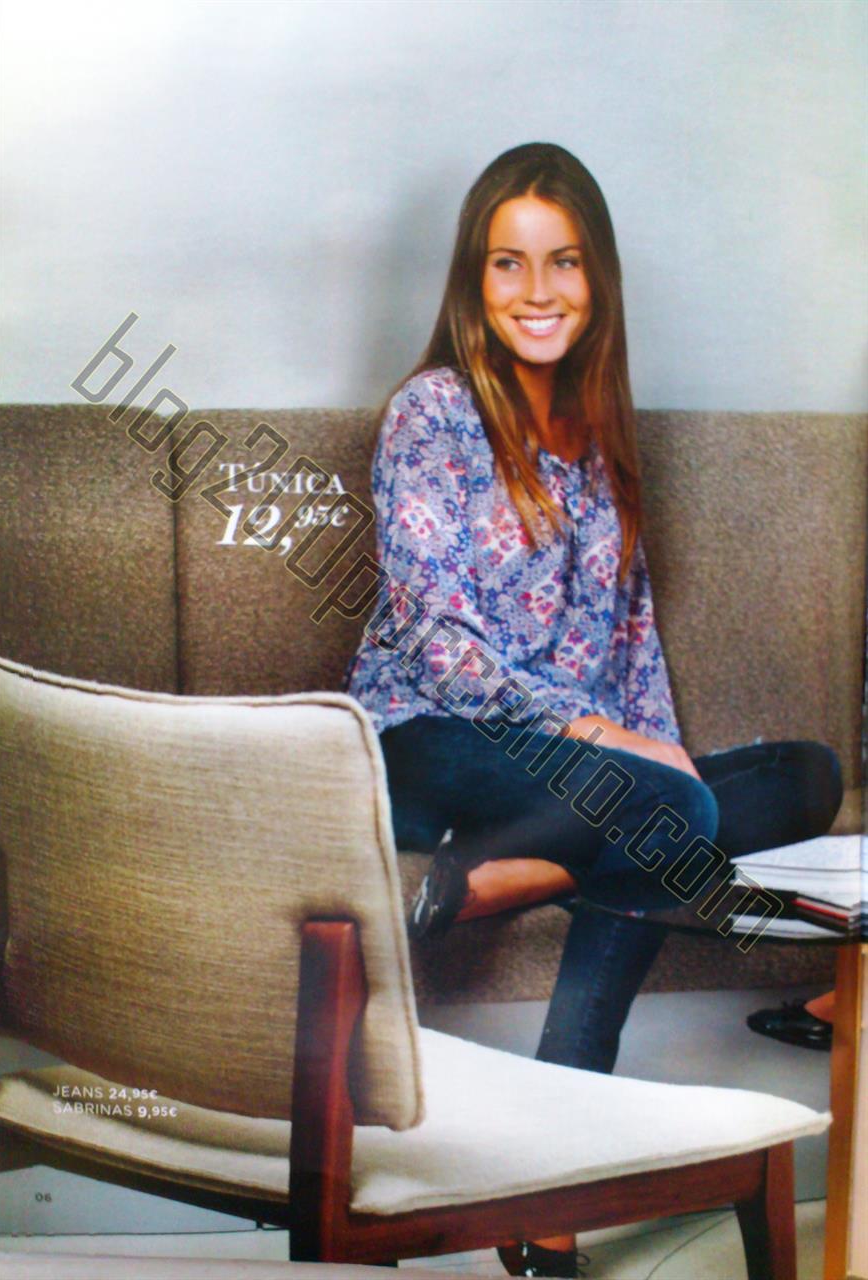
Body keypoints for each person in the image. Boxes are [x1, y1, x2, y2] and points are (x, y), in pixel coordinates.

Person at [343, 142, 842, 1278]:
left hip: (559, 781)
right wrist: (608, 743)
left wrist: (651, 746)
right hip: (427, 739)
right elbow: (435, 641)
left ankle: (495, 877)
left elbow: (627, 641)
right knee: (667, 811)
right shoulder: (432, 413)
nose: (537, 291)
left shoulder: (602, 433)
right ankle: (553, 1184)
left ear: (595, 275)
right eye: (507, 263)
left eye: (562, 261)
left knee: (800, 776)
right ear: (473, 279)